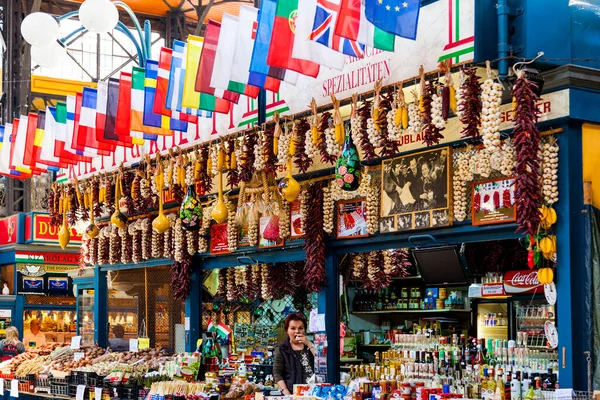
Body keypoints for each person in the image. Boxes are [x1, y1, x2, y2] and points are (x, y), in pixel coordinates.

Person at [273, 313, 315, 396]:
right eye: (293, 328)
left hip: (313, 393)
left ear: (304, 330)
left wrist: (309, 343)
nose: (297, 331)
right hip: (293, 393)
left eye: (300, 328)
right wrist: (288, 395)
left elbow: (321, 360)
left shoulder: (310, 346)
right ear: (287, 331)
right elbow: (277, 373)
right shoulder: (282, 349)